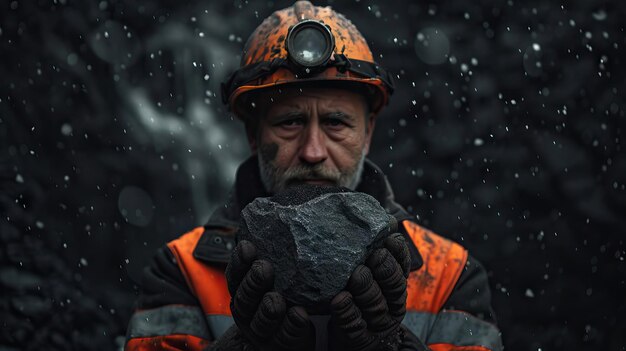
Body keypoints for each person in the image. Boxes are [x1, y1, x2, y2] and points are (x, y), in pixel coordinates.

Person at [124, 1, 503, 350]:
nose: (313, 151)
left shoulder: (449, 274)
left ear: (368, 134)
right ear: (253, 136)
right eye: (291, 122)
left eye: (336, 122)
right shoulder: (182, 270)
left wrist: (390, 345)